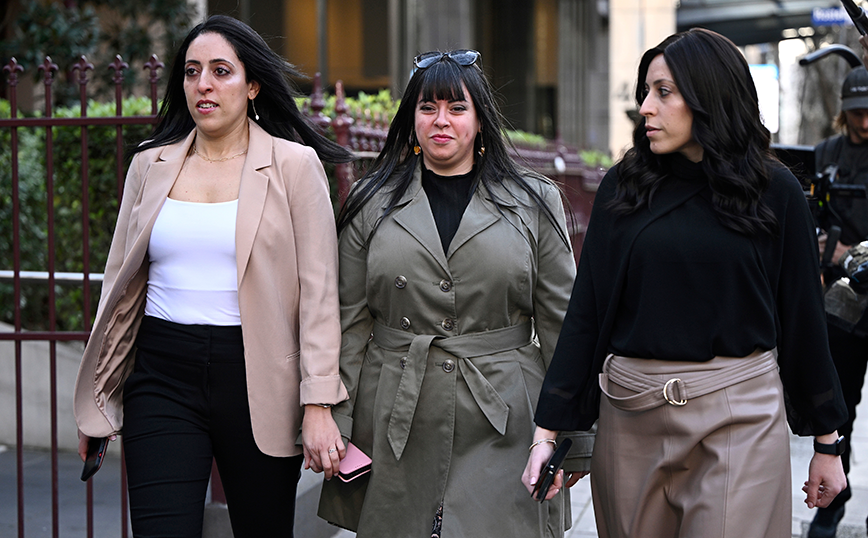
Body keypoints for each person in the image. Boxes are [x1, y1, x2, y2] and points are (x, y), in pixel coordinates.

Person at [523, 28, 849, 538]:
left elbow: (803, 318)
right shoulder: (624, 188)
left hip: (740, 418)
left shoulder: (774, 191)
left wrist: (827, 443)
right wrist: (547, 432)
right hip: (630, 416)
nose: (645, 108)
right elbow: (586, 313)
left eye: (664, 92)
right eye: (645, 92)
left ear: (708, 96)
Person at [72, 15, 352, 538]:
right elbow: (120, 291)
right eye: (192, 71)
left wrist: (318, 403)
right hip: (161, 375)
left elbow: (319, 294)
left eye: (221, 71)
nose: (203, 84)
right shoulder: (149, 164)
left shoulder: (294, 165)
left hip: (259, 377)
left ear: (252, 86)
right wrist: (101, 397)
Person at [317, 49, 590, 537]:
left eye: (457, 108)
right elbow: (348, 322)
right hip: (397, 410)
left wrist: (575, 437)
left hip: (507, 410)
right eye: (428, 107)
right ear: (412, 118)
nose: (441, 120)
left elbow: (562, 324)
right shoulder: (371, 201)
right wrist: (333, 421)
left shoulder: (533, 200)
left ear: (480, 119)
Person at [809, 65, 868, 538]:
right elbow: (811, 213)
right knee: (839, 407)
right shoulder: (827, 153)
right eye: (857, 113)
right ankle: (832, 501)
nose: (865, 122)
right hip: (841, 301)